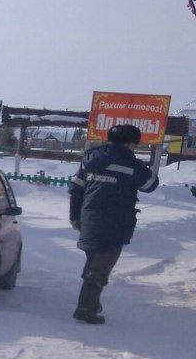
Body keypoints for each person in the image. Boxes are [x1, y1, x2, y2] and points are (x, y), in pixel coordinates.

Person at [68, 123, 159, 324]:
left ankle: (92, 302)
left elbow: (76, 188)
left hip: (88, 218)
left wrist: (75, 216)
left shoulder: (90, 158)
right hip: (114, 221)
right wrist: (143, 166)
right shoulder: (129, 162)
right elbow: (151, 184)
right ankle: (85, 309)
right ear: (130, 143)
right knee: (100, 267)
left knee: (94, 261)